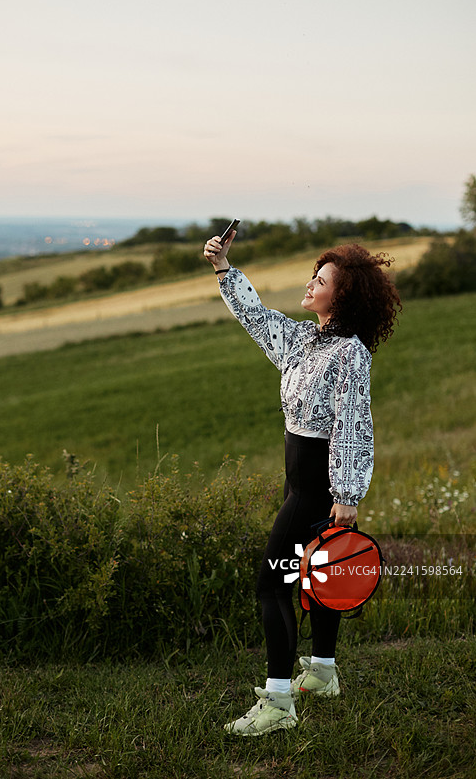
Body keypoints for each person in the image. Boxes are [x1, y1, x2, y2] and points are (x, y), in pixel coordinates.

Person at [203, 229, 401, 737]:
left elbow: (354, 424)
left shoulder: (349, 354)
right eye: (314, 275)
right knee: (321, 577)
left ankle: (278, 703)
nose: (311, 283)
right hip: (304, 482)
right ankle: (324, 672)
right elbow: (258, 318)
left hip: (317, 486)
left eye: (322, 279)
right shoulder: (304, 339)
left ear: (343, 295)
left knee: (273, 584)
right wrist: (226, 268)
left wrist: (347, 495)